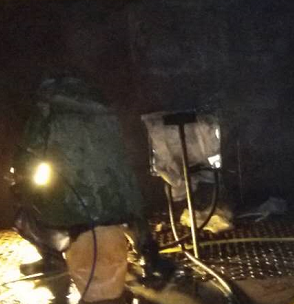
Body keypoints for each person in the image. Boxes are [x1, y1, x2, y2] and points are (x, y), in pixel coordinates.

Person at [10, 74, 173, 284]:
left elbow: (28, 153)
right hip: (117, 199)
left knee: (26, 211)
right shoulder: (108, 113)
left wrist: (19, 177)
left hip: (72, 203)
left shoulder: (46, 114)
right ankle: (150, 257)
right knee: (132, 210)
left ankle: (52, 259)